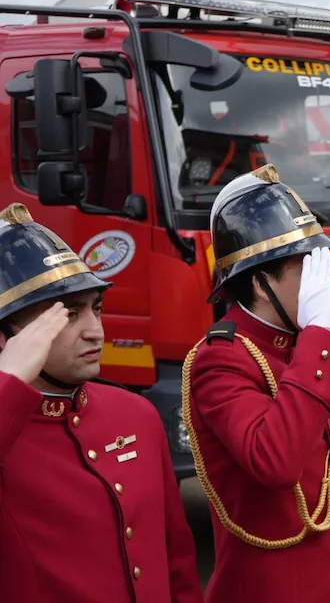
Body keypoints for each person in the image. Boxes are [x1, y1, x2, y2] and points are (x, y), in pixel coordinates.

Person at [0, 202, 203, 603]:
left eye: (97, 309)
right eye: (68, 315)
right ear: (7, 335)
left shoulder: (137, 414)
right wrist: (8, 381)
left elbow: (176, 557)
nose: (95, 331)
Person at [182, 164, 330, 603]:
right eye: (307, 268)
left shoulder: (295, 350)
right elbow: (276, 461)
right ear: (260, 283)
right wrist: (320, 339)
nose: (323, 285)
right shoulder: (221, 359)